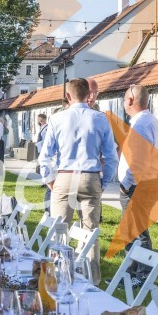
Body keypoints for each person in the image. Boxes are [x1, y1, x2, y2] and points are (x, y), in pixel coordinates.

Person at [38, 78, 118, 284]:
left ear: (68, 96)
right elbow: (111, 156)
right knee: (90, 230)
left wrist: (49, 179)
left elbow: (45, 156)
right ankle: (93, 279)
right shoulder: (100, 118)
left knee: (59, 228)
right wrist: (103, 182)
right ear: (88, 95)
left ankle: (57, 275)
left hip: (65, 175)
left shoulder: (57, 119)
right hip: (91, 175)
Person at [118, 85, 158, 280]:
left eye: (123, 100)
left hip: (138, 185)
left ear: (130, 100)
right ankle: (132, 273)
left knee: (137, 232)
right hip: (148, 182)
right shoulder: (151, 120)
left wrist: (126, 184)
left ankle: (142, 274)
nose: (123, 103)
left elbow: (139, 160)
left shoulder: (141, 124)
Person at [35, 113, 50, 212]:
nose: (38, 121)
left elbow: (45, 140)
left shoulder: (46, 128)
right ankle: (43, 181)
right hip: (40, 149)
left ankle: (45, 181)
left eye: (39, 119)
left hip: (42, 149)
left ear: (43, 119)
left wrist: (39, 144)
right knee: (40, 166)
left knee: (43, 166)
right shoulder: (42, 128)